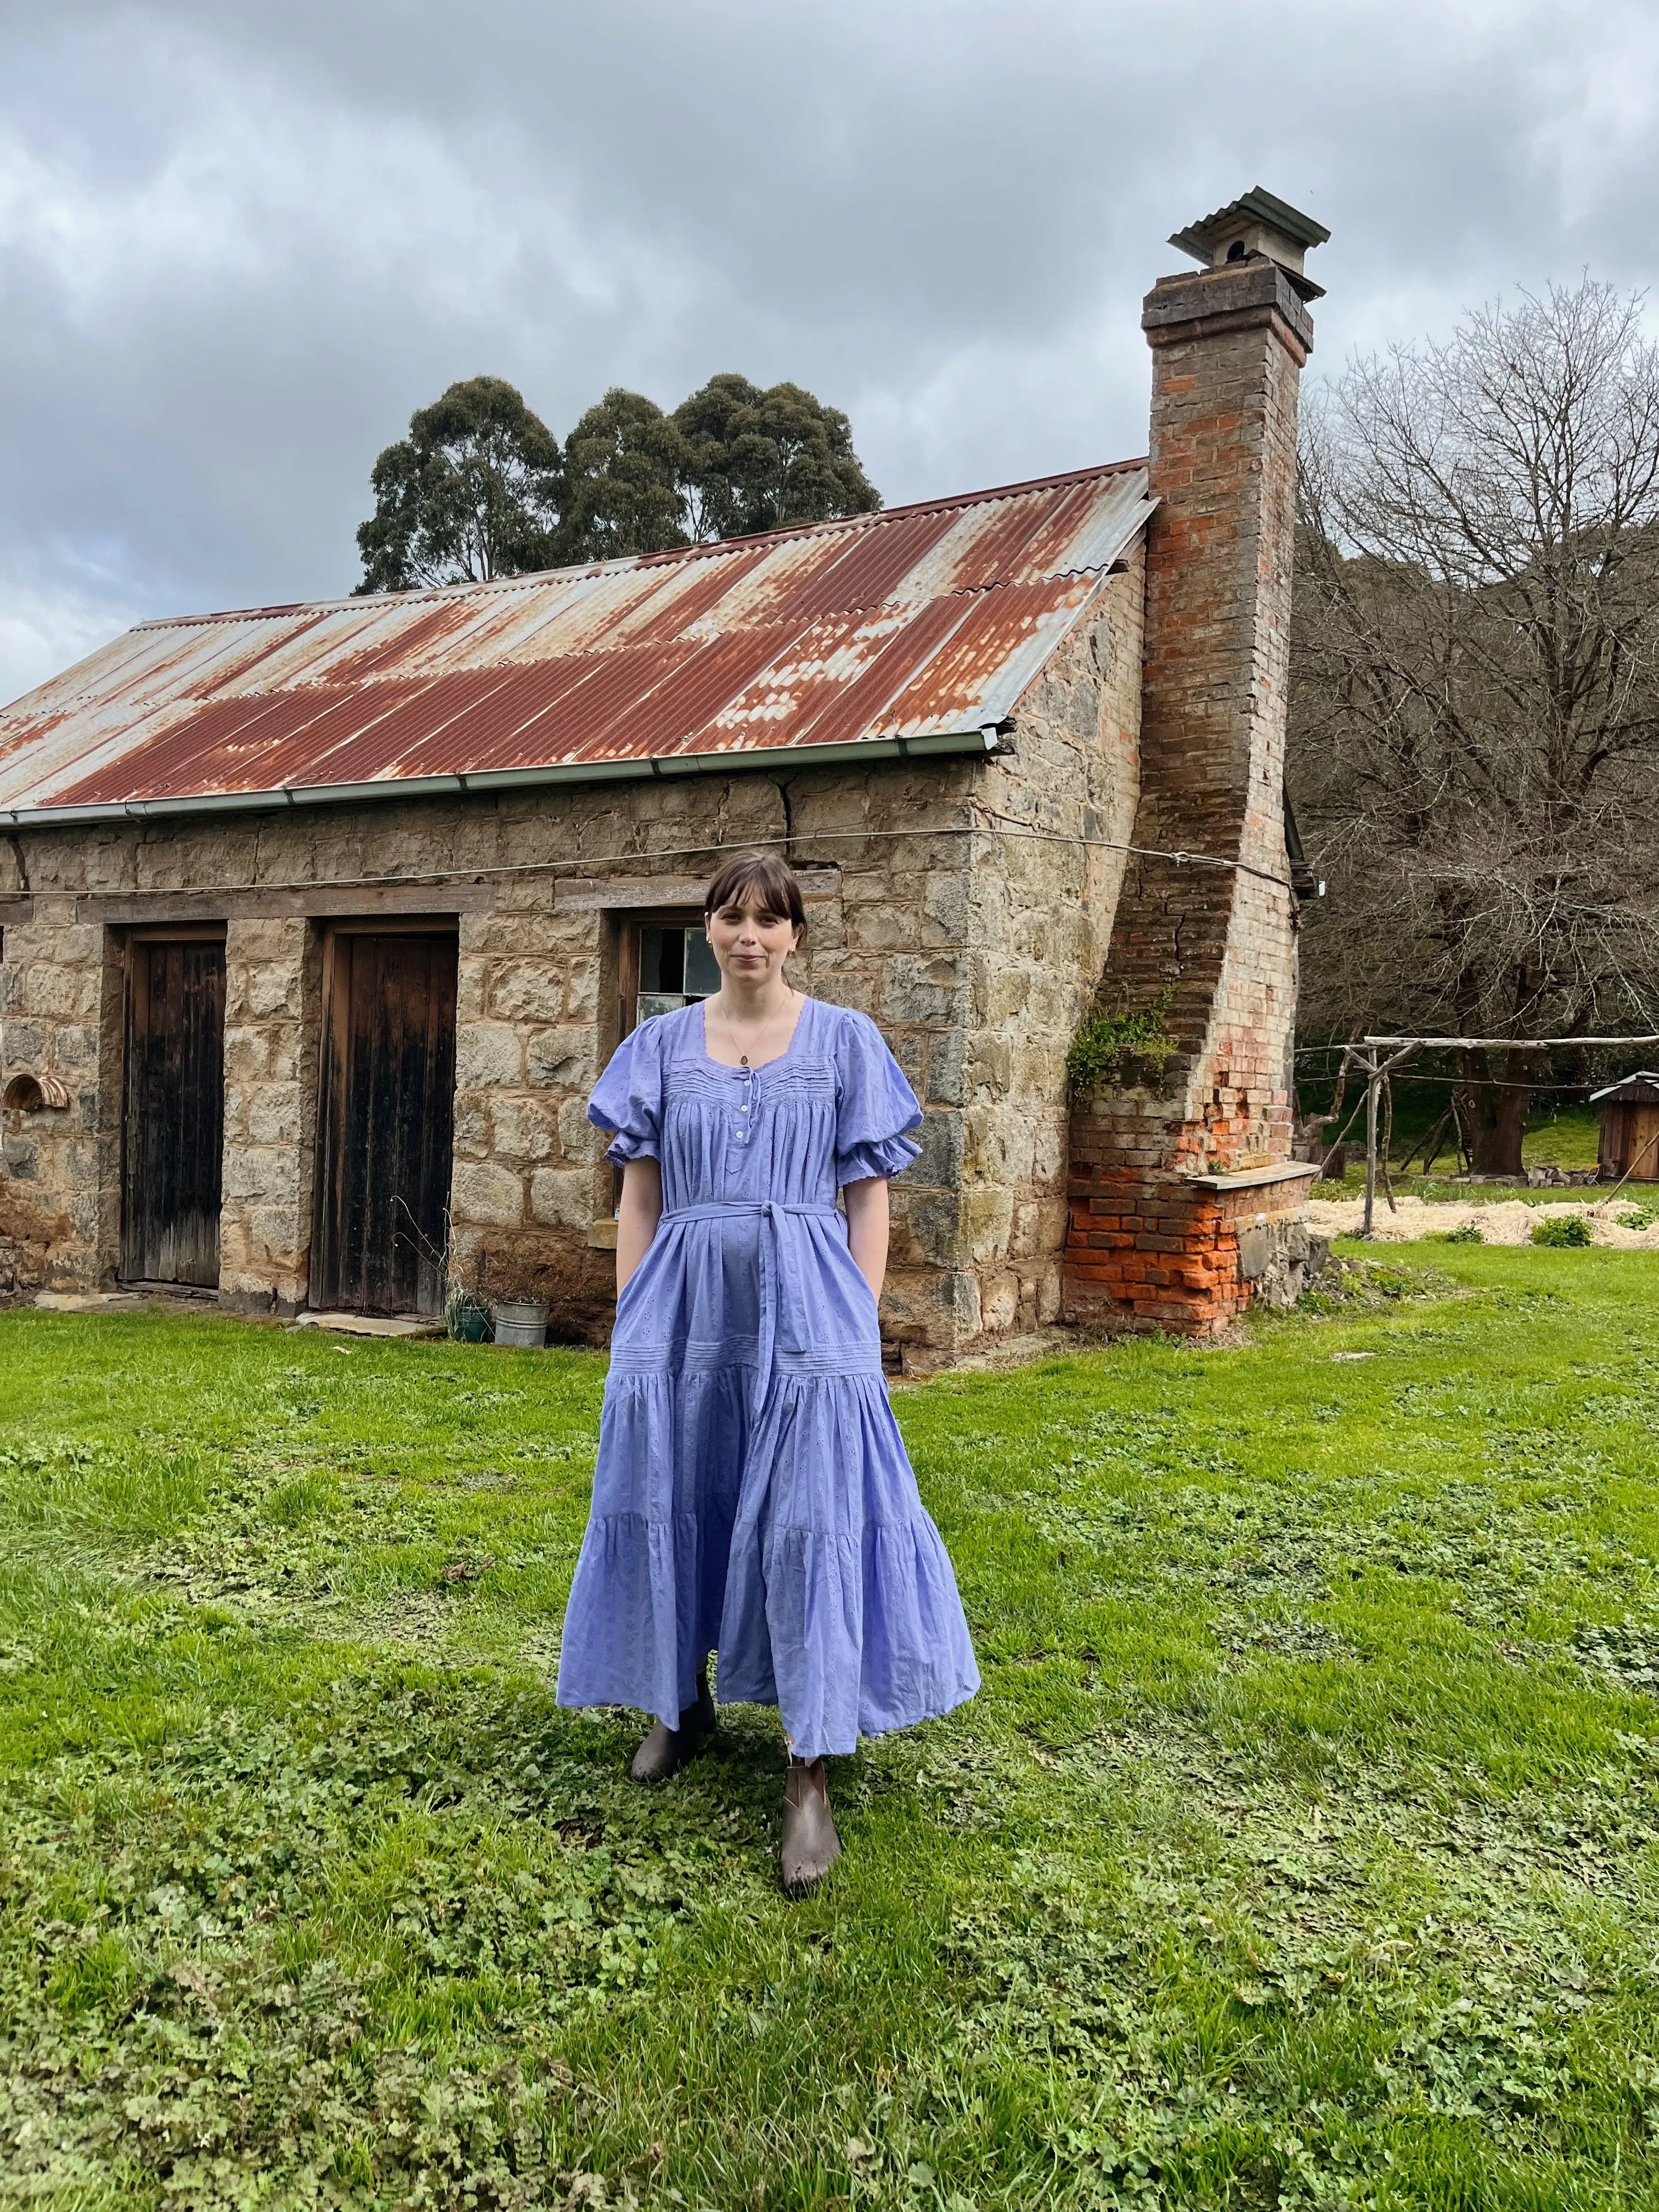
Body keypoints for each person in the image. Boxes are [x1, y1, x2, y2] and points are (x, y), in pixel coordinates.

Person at [556, 850, 980, 1889]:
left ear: (795, 935)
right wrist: (634, 1321)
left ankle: (809, 1770)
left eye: (769, 919)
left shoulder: (844, 1043)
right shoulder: (658, 1048)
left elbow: (869, 1198)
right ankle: (677, 1701)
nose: (749, 935)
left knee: (808, 1516)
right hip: (684, 1311)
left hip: (810, 1314)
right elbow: (640, 1200)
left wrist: (853, 1317)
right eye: (730, 916)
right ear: (708, 929)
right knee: (676, 1495)